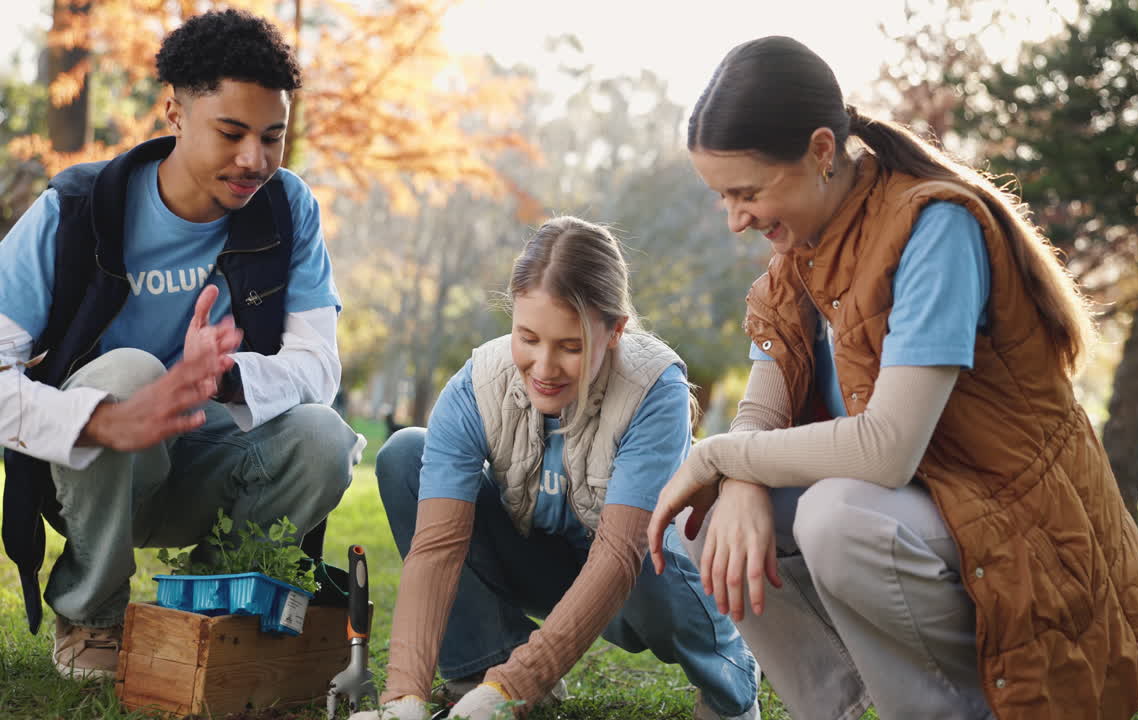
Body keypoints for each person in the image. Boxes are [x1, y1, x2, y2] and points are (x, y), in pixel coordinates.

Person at [647, 36, 1138, 720]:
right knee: (704, 515)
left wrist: (723, 454)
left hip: (1015, 540)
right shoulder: (798, 264)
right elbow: (761, 413)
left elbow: (887, 447)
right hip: (923, 524)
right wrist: (739, 479)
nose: (736, 220)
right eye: (723, 198)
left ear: (820, 152)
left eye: (747, 193)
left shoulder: (935, 228)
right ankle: (832, 706)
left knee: (834, 515)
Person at [0, 9, 359, 680]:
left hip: (205, 459)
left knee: (324, 438)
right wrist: (104, 418)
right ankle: (92, 618)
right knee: (130, 372)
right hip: (90, 473)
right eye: (231, 132)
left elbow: (319, 365)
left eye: (272, 137)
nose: (255, 159)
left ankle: (206, 614)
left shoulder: (288, 208)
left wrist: (223, 377)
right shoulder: (76, 210)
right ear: (174, 112)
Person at [360, 217, 760, 720]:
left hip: (640, 582)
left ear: (614, 331)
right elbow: (437, 548)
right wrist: (403, 699)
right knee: (404, 456)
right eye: (527, 338)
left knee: (648, 555)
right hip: (544, 560)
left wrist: (512, 687)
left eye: (571, 347)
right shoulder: (476, 385)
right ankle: (487, 668)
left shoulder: (654, 389)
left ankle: (731, 679)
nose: (545, 368)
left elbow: (617, 555)